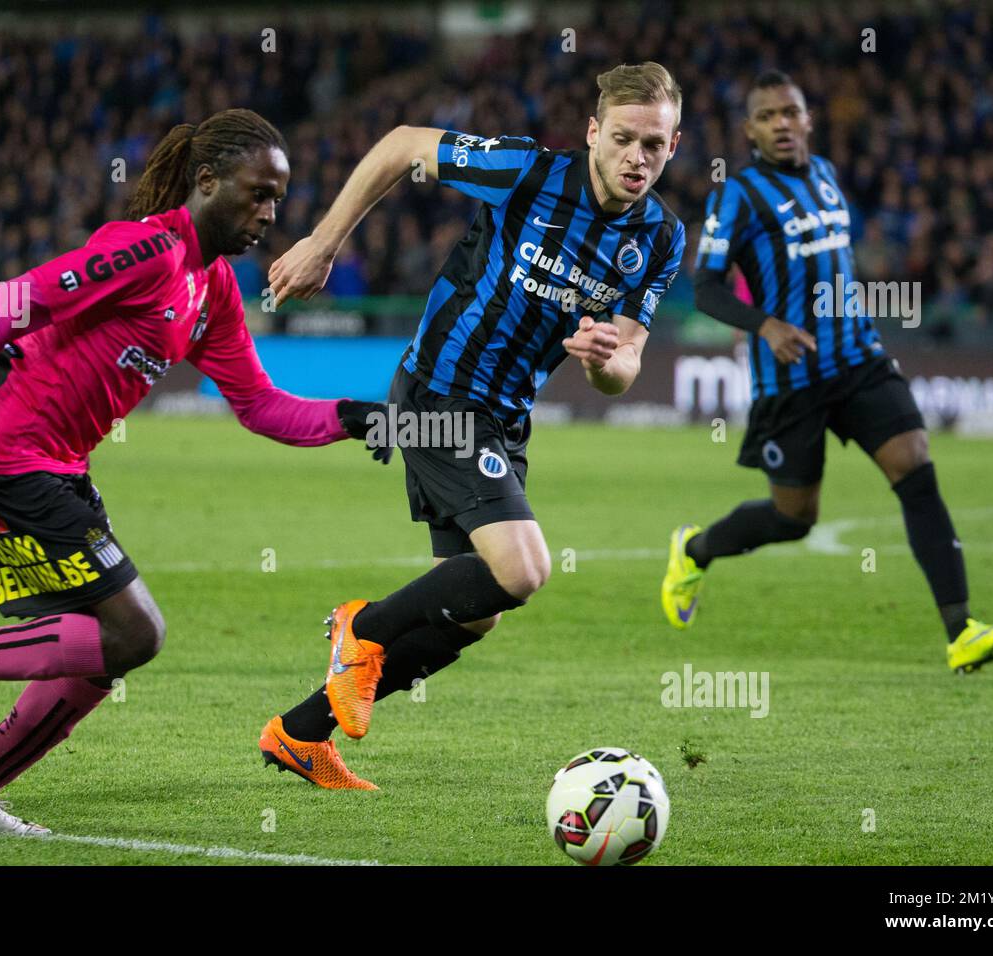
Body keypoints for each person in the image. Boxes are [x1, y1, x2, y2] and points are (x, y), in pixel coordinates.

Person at [0, 109, 388, 835]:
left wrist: (349, 416)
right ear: (206, 182)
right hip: (4, 455)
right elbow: (10, 302)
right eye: (257, 193)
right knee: (135, 632)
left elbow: (259, 405)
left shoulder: (211, 290)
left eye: (278, 199)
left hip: (57, 469)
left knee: (98, 655)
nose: (269, 215)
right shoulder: (148, 251)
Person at [261, 63, 687, 789]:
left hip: (504, 419)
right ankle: (359, 629)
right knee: (522, 570)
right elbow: (400, 144)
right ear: (592, 133)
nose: (636, 158)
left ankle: (299, 733)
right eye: (623, 139)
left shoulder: (661, 239)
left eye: (654, 144)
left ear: (674, 147)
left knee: (471, 612)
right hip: (439, 394)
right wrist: (326, 242)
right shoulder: (526, 172)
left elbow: (625, 367)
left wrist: (601, 358)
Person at [663, 71, 993, 674]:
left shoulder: (829, 177)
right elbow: (704, 288)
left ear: (808, 119)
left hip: (858, 359)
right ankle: (695, 550)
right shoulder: (739, 195)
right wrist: (767, 326)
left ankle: (961, 630)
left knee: (915, 466)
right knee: (793, 518)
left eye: (791, 111)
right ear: (750, 130)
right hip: (791, 378)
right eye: (768, 115)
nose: (782, 123)